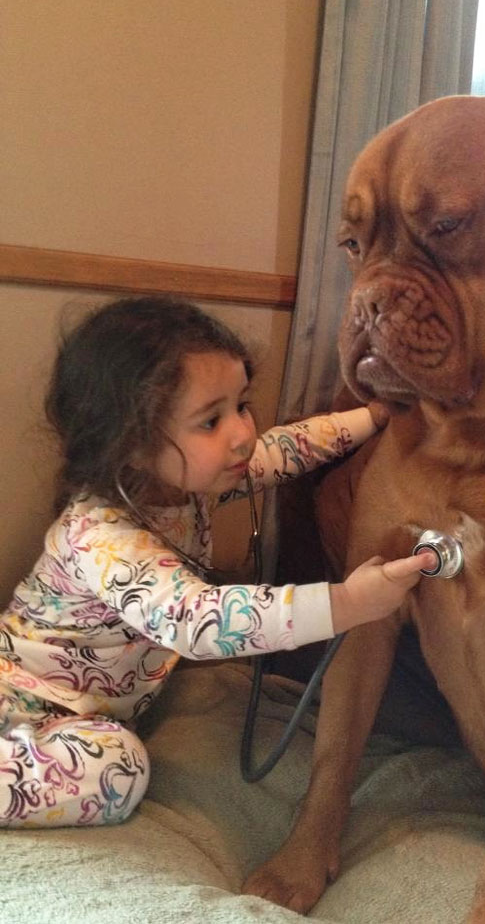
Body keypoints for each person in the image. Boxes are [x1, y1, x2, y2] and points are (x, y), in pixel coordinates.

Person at [0, 296, 426, 829]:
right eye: (210, 420)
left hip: (72, 720)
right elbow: (198, 620)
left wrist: (374, 416)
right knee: (120, 770)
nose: (243, 433)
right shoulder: (101, 536)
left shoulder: (195, 483)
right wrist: (348, 603)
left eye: (241, 405)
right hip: (20, 703)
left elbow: (288, 448)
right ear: (131, 445)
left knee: (111, 755)